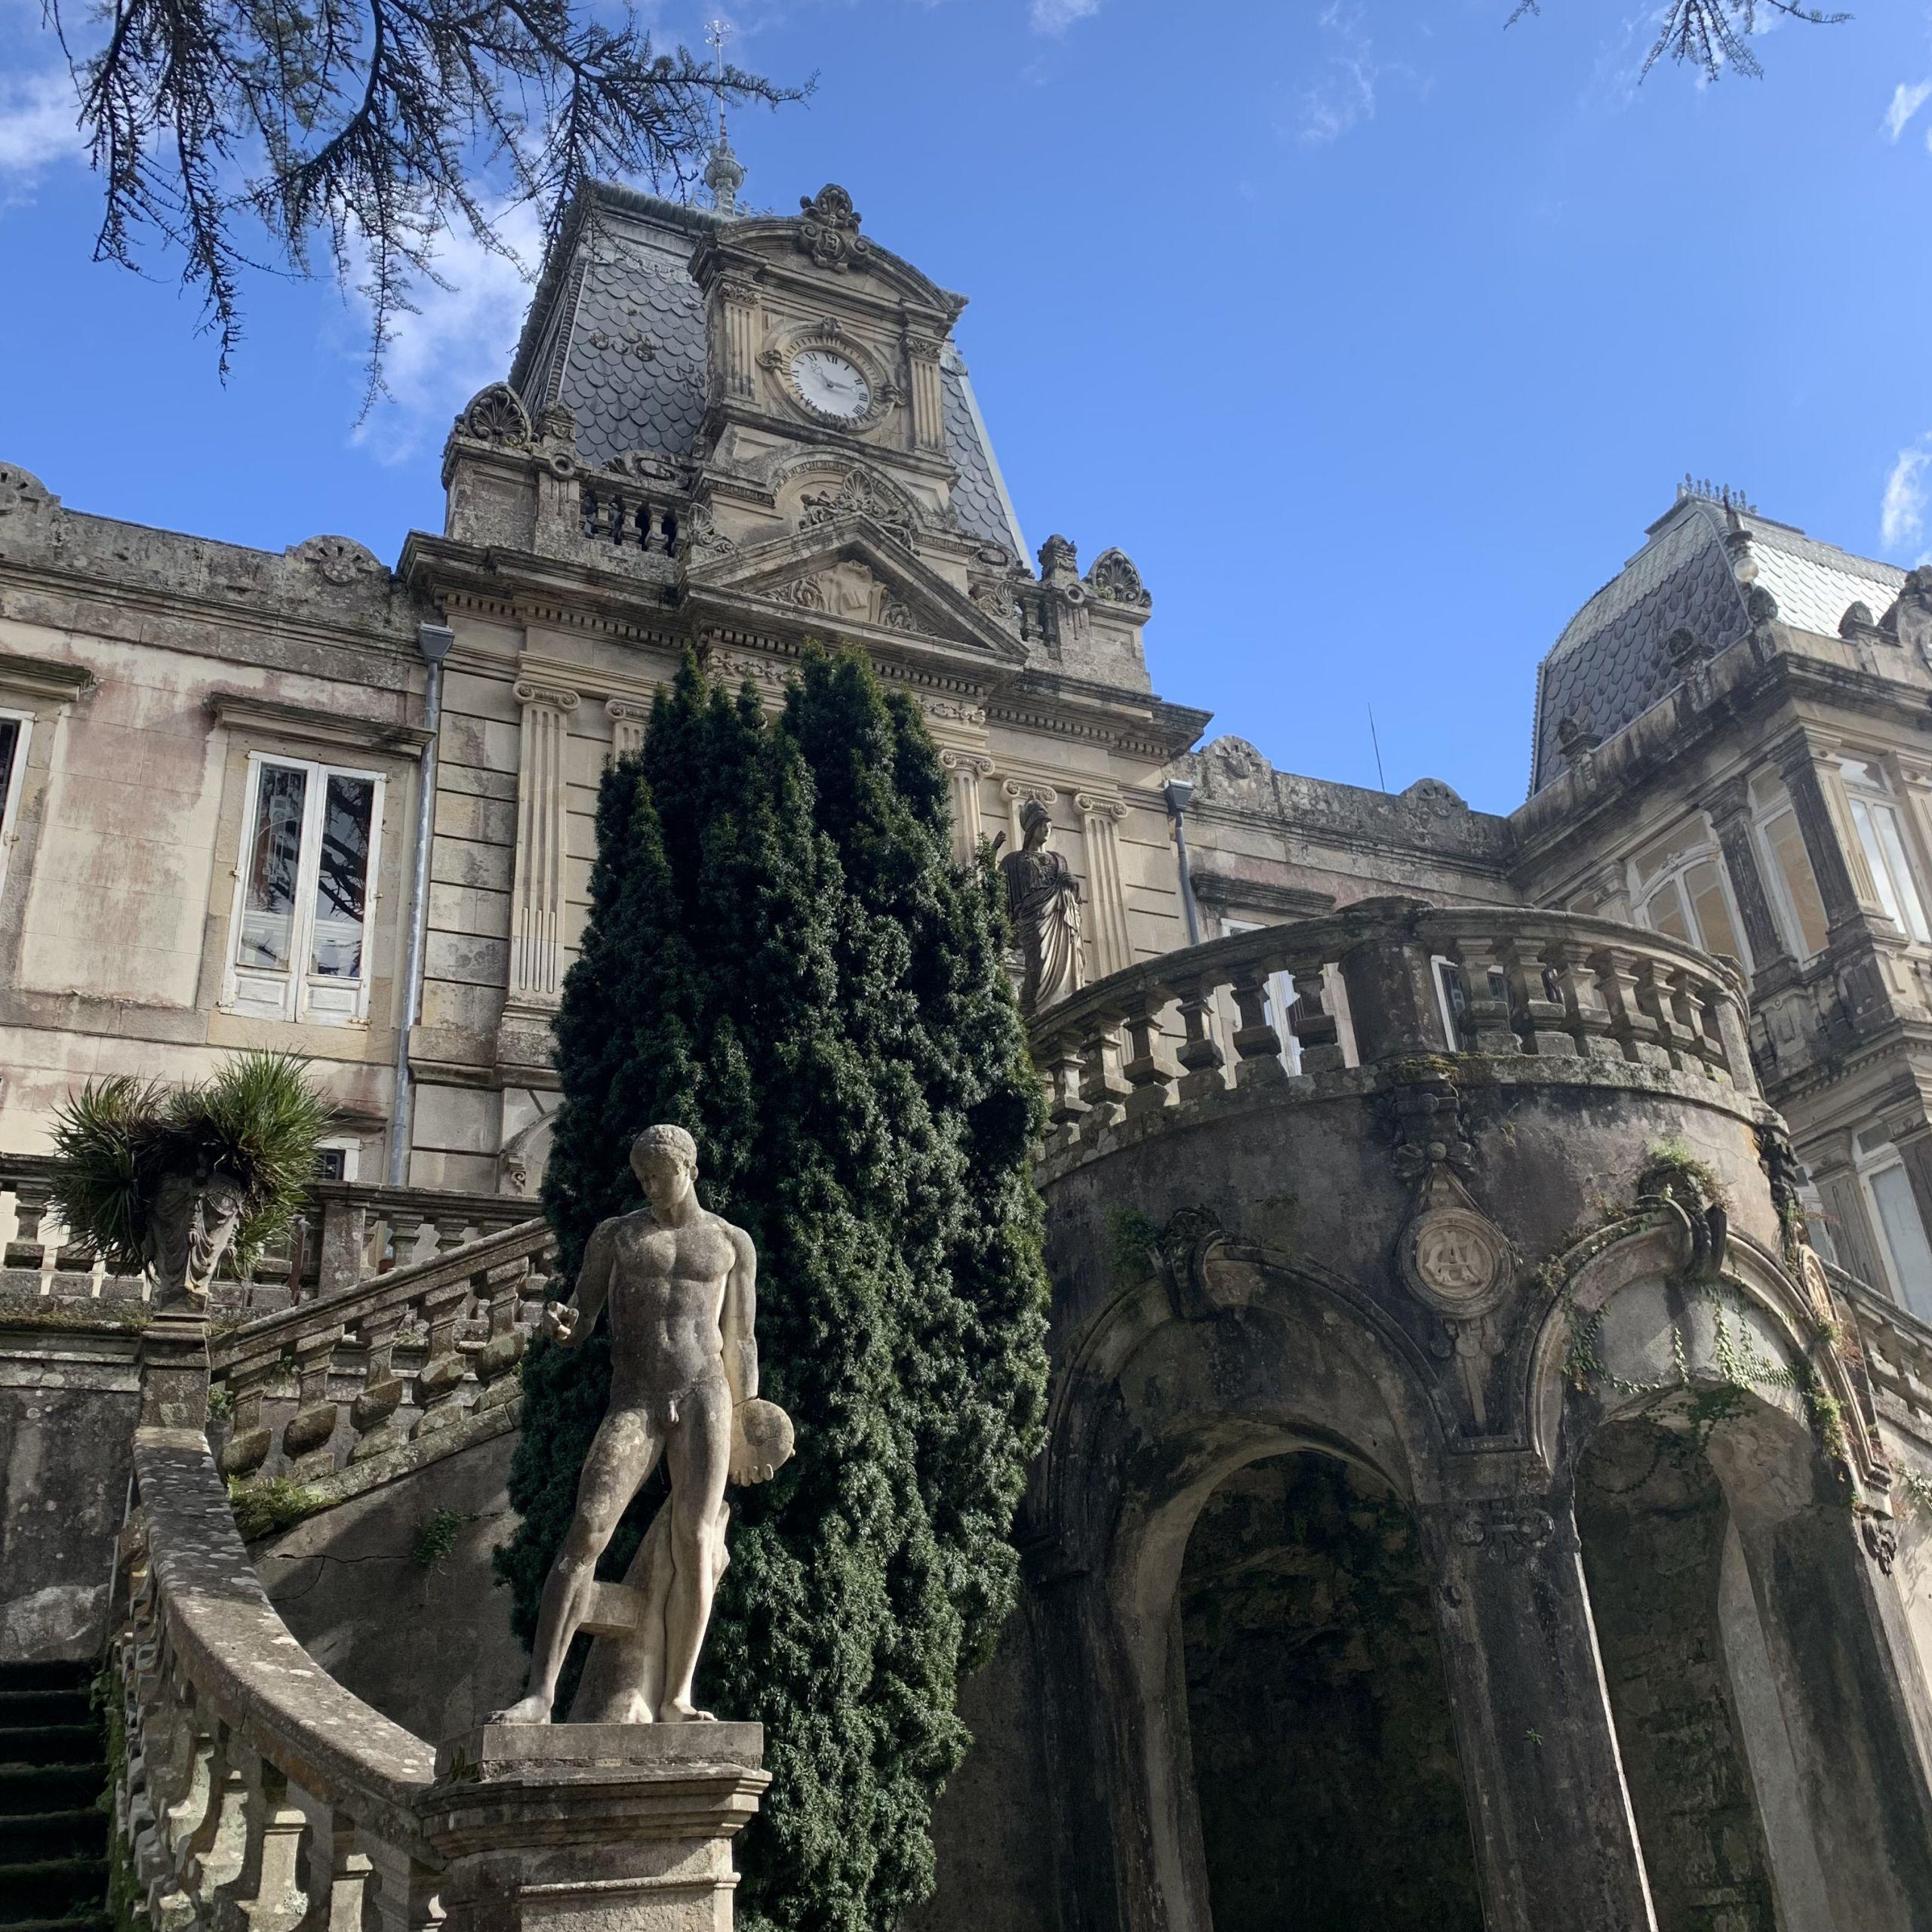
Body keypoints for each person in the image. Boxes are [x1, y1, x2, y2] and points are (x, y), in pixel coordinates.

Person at [491, 1124, 780, 1724]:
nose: (650, 1186)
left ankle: (678, 1695)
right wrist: (564, 1329)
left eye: (660, 1174)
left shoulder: (731, 1242)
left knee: (697, 1541)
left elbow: (741, 1338)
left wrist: (747, 1416)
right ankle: (541, 1694)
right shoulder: (618, 1237)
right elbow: (584, 1316)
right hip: (638, 1395)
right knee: (587, 1530)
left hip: (705, 1394)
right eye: (642, 1176)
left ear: (689, 1168)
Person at [999, 796, 1084, 1014]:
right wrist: (990, 853)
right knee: (1036, 965)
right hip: (1032, 920)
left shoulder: (1059, 859)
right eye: (1041, 825)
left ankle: (1060, 1005)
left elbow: (1074, 899)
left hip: (1059, 920)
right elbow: (997, 892)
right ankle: (1032, 1012)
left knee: (1061, 965)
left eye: (1049, 825)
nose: (1046, 829)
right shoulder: (1014, 860)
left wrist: (1074, 885)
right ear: (1031, 828)